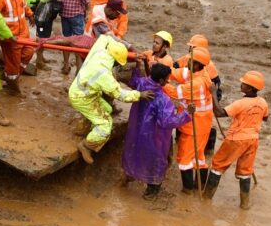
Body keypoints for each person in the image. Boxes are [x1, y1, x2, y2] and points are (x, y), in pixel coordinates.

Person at [69, 34, 151, 164]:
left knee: (107, 108)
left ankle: (82, 127)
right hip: (82, 97)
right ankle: (86, 145)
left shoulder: (101, 49)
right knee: (105, 125)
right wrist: (139, 95)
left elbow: (105, 37)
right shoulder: (104, 74)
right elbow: (120, 95)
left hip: (82, 89)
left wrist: (126, 46)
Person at [122, 62, 191, 200]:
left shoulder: (141, 84)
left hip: (137, 131)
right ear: (160, 80)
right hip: (155, 136)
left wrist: (137, 66)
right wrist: (186, 113)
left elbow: (132, 80)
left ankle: (128, 177)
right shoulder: (163, 100)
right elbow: (168, 122)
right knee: (157, 161)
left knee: (134, 153)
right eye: (166, 79)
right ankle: (151, 191)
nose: (168, 80)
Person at [203, 71, 269, 210]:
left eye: (244, 84)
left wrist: (213, 93)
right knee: (245, 171)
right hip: (252, 140)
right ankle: (244, 204)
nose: (241, 85)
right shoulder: (263, 102)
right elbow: (265, 117)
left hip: (236, 140)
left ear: (250, 88)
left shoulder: (240, 103)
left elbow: (219, 113)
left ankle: (206, 198)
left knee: (217, 166)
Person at [165, 46, 214, 194]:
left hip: (193, 127)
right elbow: (180, 73)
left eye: (190, 61)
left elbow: (174, 92)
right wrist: (164, 69)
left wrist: (160, 82)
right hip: (203, 126)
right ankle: (199, 186)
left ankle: (187, 189)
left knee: (184, 159)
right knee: (198, 157)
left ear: (197, 64)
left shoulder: (197, 84)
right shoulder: (202, 73)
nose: (187, 63)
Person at [0, 0, 35, 95]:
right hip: (10, 37)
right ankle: (14, 88)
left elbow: (24, 6)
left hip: (23, 34)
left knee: (29, 52)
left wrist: (30, 14)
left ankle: (9, 75)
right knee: (13, 63)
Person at [58, 0, 89, 74]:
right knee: (79, 42)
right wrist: (88, 9)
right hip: (76, 13)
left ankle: (65, 66)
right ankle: (78, 70)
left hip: (64, 12)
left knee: (66, 40)